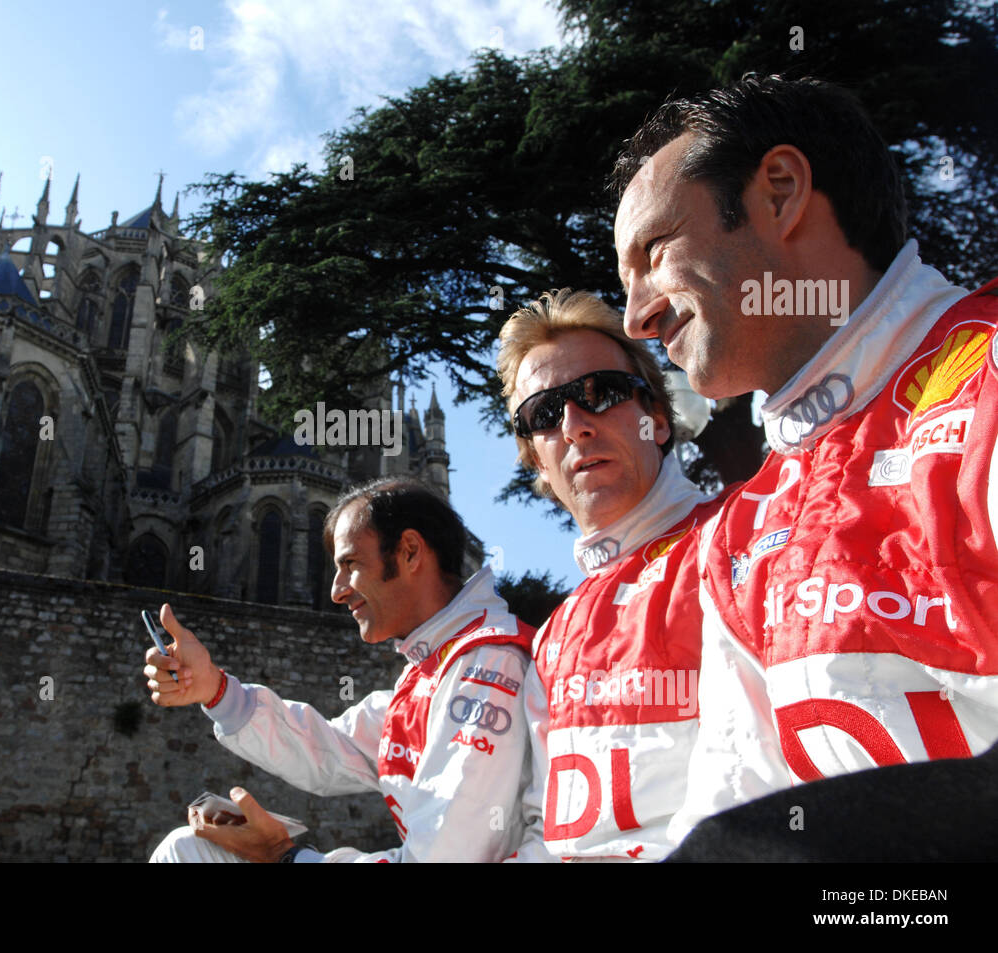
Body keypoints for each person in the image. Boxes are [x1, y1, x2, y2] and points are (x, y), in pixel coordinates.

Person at [612, 74, 998, 839]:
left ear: (781, 192)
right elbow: (728, 808)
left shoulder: (986, 376)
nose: (637, 317)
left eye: (654, 251)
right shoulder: (738, 529)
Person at [494, 289, 762, 862]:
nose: (574, 425)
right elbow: (543, 830)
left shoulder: (750, 539)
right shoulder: (553, 635)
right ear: (535, 461)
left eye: (601, 393)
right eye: (544, 414)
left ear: (659, 420)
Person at [144, 477, 535, 863]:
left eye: (350, 564)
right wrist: (212, 687)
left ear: (410, 552)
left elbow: (447, 858)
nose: (337, 590)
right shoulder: (436, 668)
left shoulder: (487, 664)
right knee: (188, 848)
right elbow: (328, 748)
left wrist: (287, 856)